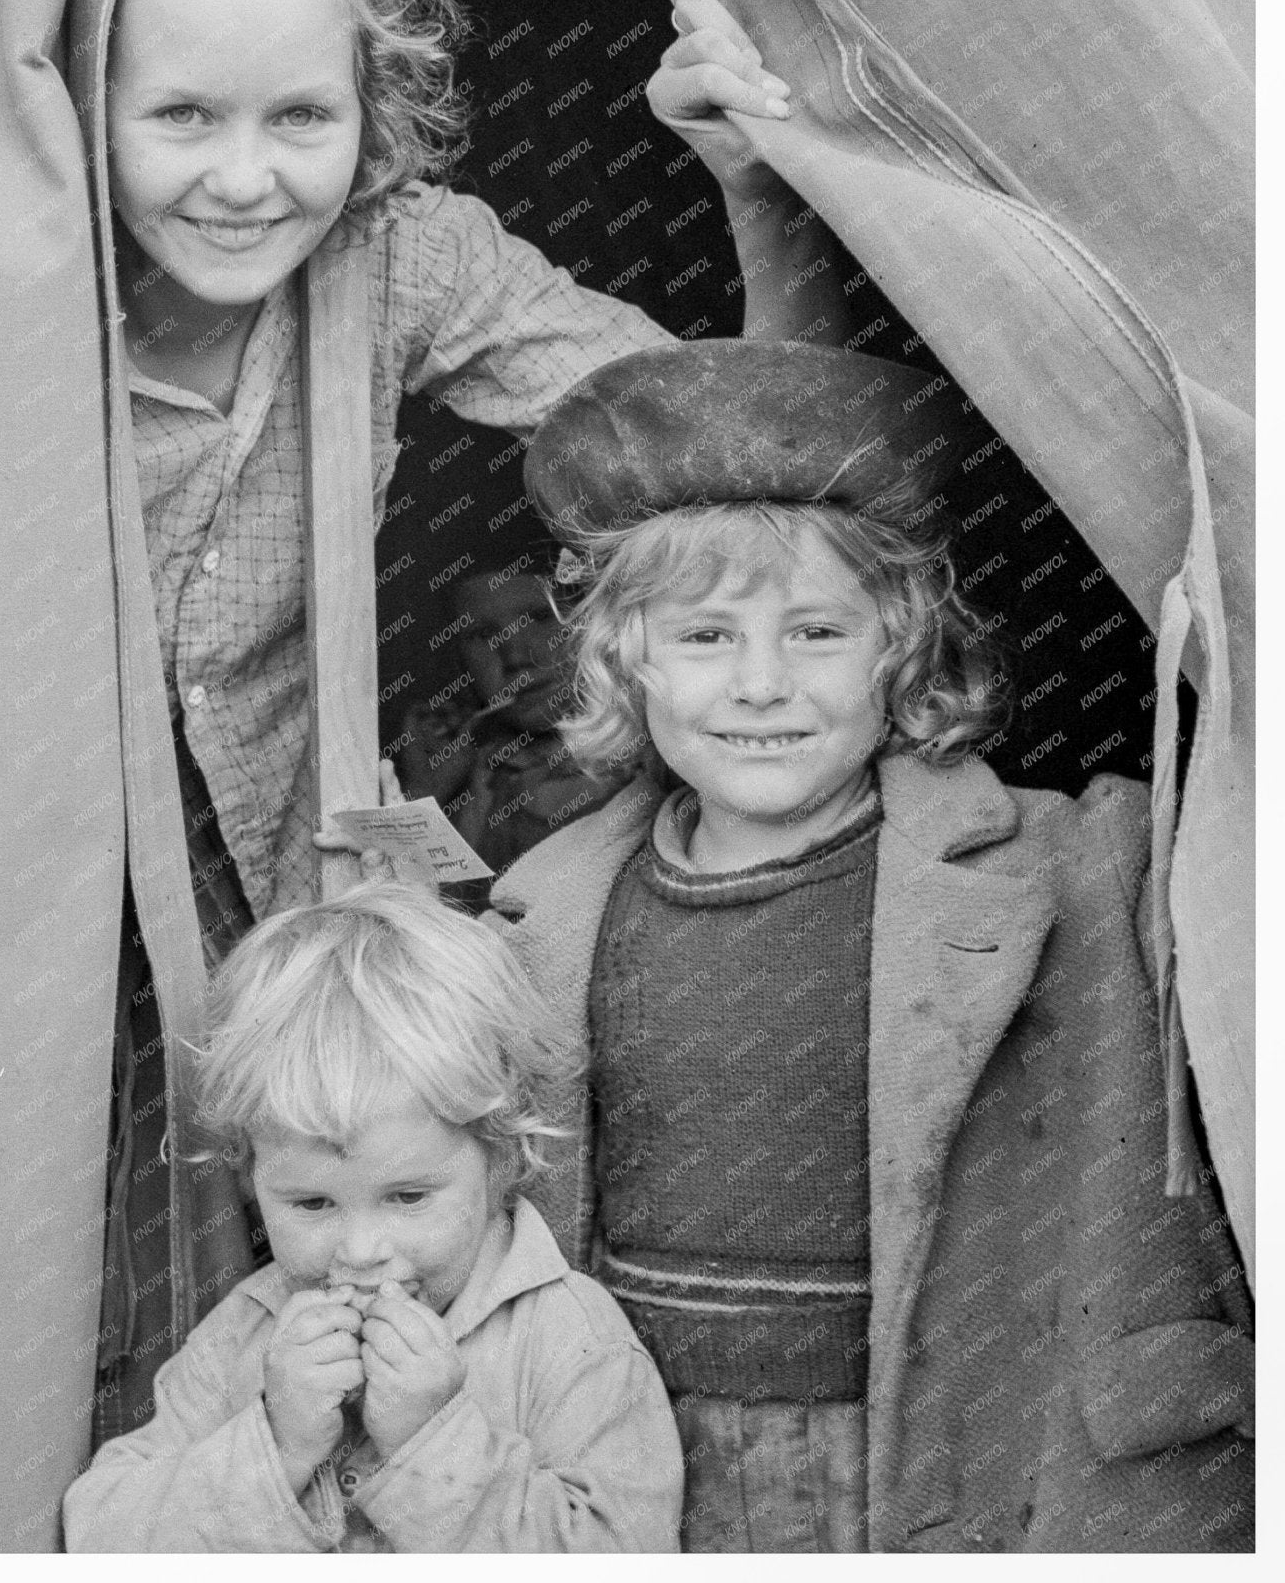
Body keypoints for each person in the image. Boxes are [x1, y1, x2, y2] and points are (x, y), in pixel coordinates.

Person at [97, 0, 834, 1435]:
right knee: (92, 1376)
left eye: (299, 113)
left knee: (342, 1368)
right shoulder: (6, 288)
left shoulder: (393, 259)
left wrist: (752, 183)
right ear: (88, 113)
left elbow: (727, 446)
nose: (240, 175)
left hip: (279, 945)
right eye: (179, 114)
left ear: (369, 113)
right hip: (24, 957)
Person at [491, 338, 1256, 1552]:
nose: (758, 683)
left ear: (897, 644)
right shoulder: (548, 909)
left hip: (954, 1448)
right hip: (635, 1448)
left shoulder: (1079, 866)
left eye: (812, 632)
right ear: (621, 656)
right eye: (701, 637)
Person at [64, 883, 683, 1551]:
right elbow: (101, 1531)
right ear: (251, 1178)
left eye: (408, 1197)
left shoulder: (572, 1341)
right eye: (312, 1203)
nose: (360, 1251)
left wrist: (432, 1440)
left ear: (501, 1158)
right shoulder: (245, 1332)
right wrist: (277, 1445)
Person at [395, 567, 623, 880]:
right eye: (483, 635)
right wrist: (427, 791)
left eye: (540, 617)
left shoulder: (659, 767)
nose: (515, 656)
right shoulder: (477, 774)